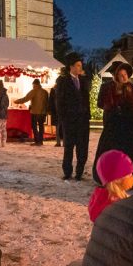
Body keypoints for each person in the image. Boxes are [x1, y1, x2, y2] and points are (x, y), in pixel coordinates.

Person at [92, 62, 133, 184]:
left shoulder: (132, 87)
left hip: (130, 125)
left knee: (129, 151)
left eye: (125, 74)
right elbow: (100, 103)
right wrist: (110, 105)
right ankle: (108, 175)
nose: (123, 77)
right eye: (120, 74)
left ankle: (129, 177)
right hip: (113, 124)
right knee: (111, 149)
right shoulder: (106, 87)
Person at [56, 52, 91, 180]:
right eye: (77, 65)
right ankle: (67, 172)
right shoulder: (63, 81)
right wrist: (63, 119)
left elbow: (87, 96)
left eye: (81, 65)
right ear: (71, 67)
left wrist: (87, 116)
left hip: (82, 121)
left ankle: (79, 172)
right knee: (69, 148)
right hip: (69, 121)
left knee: (82, 148)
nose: (80, 68)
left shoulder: (83, 80)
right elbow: (59, 101)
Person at [88, 149, 133, 222]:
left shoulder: (100, 198)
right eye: (129, 175)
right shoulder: (117, 206)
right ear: (117, 179)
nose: (132, 177)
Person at [14, 78, 49, 146]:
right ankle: (40, 141)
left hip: (35, 112)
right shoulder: (45, 92)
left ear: (34, 84)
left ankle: (37, 141)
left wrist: (16, 101)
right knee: (41, 126)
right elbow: (47, 102)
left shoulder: (34, 91)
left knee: (34, 126)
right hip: (43, 112)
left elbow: (26, 98)